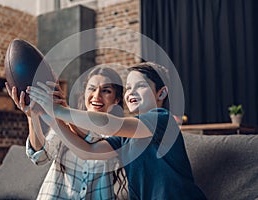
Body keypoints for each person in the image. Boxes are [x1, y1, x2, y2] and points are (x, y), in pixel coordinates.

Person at [27, 62, 207, 199]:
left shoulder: (162, 119)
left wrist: (59, 110)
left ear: (161, 93)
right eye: (129, 87)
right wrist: (50, 118)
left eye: (141, 86)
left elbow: (110, 123)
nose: (131, 92)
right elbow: (88, 151)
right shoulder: (123, 139)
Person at [5, 66, 127, 199]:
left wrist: (63, 112)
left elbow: (93, 141)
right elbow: (40, 157)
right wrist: (32, 116)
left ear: (116, 100)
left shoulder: (121, 134)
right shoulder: (63, 124)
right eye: (92, 88)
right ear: (85, 93)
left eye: (106, 91)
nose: (97, 96)